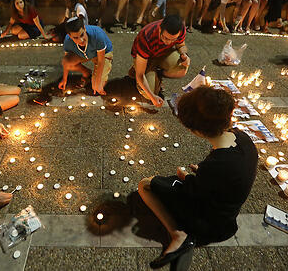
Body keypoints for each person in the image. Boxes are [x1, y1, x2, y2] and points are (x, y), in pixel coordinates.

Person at [138, 86, 257, 269]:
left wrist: (186, 177)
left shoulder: (217, 165)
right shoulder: (243, 139)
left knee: (145, 185)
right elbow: (226, 177)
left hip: (211, 224)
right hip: (226, 215)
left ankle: (179, 235)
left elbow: (193, 191)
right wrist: (202, 173)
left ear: (197, 131)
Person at [129, 15, 190, 107]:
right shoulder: (146, 36)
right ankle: (137, 68)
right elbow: (140, 75)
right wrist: (153, 96)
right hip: (146, 59)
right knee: (148, 94)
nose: (169, 42)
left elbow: (181, 45)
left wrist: (184, 55)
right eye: (166, 38)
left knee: (182, 70)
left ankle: (157, 73)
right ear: (160, 29)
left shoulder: (180, 29)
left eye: (173, 39)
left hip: (163, 54)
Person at [58, 17, 113, 95]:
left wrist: (98, 81)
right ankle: (86, 72)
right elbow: (66, 61)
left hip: (102, 54)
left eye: (82, 35)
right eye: (75, 38)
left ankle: (99, 79)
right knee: (67, 63)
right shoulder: (68, 41)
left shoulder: (97, 35)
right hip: (84, 54)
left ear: (84, 28)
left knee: (96, 87)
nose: (81, 40)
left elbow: (101, 61)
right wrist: (64, 79)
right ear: (70, 36)